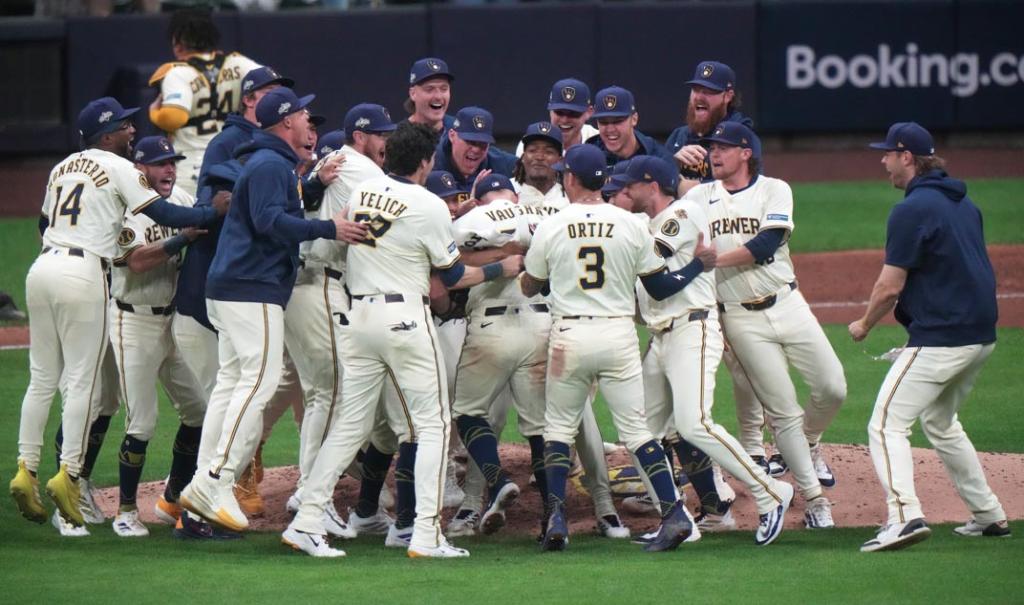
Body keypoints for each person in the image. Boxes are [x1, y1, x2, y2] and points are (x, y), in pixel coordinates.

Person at [282, 122, 522, 559]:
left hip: (358, 317)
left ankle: (307, 520)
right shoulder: (428, 203)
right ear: (426, 162)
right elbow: (452, 276)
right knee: (432, 425)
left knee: (350, 425)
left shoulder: (363, 191)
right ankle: (426, 534)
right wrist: (499, 268)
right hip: (404, 318)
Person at [10, 96, 227, 528]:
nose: (132, 130)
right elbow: (163, 213)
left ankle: (25, 468)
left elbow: (43, 225)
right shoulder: (119, 168)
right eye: (124, 126)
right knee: (84, 384)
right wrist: (210, 212)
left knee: (42, 378)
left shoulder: (62, 167)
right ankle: (70, 476)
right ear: (106, 136)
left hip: (43, 267)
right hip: (87, 275)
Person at [177, 88, 366, 535]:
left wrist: (313, 187)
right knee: (257, 383)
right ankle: (215, 480)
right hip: (251, 288)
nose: (308, 120)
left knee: (231, 385)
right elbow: (269, 221)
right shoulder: (269, 164)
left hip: (233, 286)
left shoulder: (271, 162)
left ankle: (206, 482)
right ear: (285, 122)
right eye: (302, 113)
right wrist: (328, 227)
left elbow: (271, 210)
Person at [521, 144, 719, 553]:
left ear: (570, 179)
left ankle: (555, 517)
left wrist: (545, 271)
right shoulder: (630, 224)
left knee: (557, 429)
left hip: (570, 336)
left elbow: (529, 286)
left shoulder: (553, 225)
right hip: (618, 335)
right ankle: (674, 513)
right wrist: (698, 264)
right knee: (637, 432)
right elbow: (658, 285)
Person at [613, 155, 795, 545]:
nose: (623, 191)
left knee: (694, 422)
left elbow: (649, 269)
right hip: (661, 336)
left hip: (691, 329)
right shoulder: (647, 224)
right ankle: (677, 519)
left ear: (653, 185)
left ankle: (770, 493)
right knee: (640, 430)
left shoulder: (682, 213)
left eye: (630, 185)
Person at [851, 122, 1010, 552]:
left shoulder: (912, 210)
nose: (882, 160)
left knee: (885, 424)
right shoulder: (964, 203)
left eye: (888, 153)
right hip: (981, 336)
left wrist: (864, 324)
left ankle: (903, 516)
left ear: (907, 157)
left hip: (944, 337)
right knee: (940, 422)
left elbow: (889, 287)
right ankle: (988, 513)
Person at [449, 173, 630, 540]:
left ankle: (488, 493)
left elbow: (450, 264)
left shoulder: (471, 222)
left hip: (493, 332)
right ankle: (558, 514)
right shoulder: (546, 221)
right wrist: (514, 253)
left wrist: (492, 250)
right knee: (547, 428)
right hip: (546, 328)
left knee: (473, 414)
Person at [683, 122, 843, 529]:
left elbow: (766, 244)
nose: (714, 153)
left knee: (833, 387)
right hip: (739, 318)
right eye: (711, 147)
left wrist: (710, 260)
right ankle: (815, 499)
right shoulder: (699, 197)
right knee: (782, 409)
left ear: (745, 153)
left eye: (723, 147)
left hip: (788, 304)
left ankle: (805, 442)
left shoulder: (775, 189)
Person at [283, 102, 396, 538]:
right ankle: (311, 492)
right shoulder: (360, 168)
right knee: (328, 392)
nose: (387, 142)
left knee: (324, 393)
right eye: (382, 134)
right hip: (318, 281)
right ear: (361, 136)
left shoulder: (333, 163)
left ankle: (313, 487)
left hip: (310, 284)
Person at [107, 136, 208, 538]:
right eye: (161, 163)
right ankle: (125, 512)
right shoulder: (128, 207)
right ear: (140, 169)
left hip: (171, 322)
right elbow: (136, 261)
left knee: (198, 410)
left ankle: (173, 497)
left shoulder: (179, 199)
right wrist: (183, 238)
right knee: (142, 423)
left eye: (173, 162)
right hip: (133, 323)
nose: (170, 169)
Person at [147, 8, 260, 196]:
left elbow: (174, 117)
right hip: (234, 162)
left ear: (177, 42)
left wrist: (154, 112)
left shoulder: (178, 72)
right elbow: (275, 91)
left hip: (191, 167)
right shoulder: (239, 64)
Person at [665, 60, 753, 188]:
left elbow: (746, 185)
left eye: (708, 91)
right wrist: (673, 164)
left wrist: (696, 189)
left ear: (728, 96)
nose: (699, 97)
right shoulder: (679, 136)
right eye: (695, 90)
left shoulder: (741, 135)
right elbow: (655, 187)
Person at [432, 106, 517, 194]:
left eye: (483, 143)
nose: (476, 150)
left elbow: (523, 166)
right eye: (470, 141)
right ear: (452, 135)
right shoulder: (430, 163)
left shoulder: (500, 163)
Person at [585, 86, 675, 168]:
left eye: (618, 121)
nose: (610, 129)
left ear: (634, 119)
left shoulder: (658, 158)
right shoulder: (587, 156)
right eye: (603, 122)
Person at [514, 78, 598, 157]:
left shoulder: (598, 141)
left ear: (589, 113)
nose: (564, 120)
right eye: (559, 112)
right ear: (550, 111)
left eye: (573, 114)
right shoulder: (531, 141)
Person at [513, 121, 568, 214]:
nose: (539, 157)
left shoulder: (571, 196)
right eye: (532, 150)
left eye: (548, 152)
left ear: (560, 160)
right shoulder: (508, 190)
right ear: (523, 157)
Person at [403, 57, 456, 137]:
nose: (438, 96)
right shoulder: (399, 139)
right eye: (429, 89)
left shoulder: (460, 132)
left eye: (444, 89)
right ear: (413, 94)